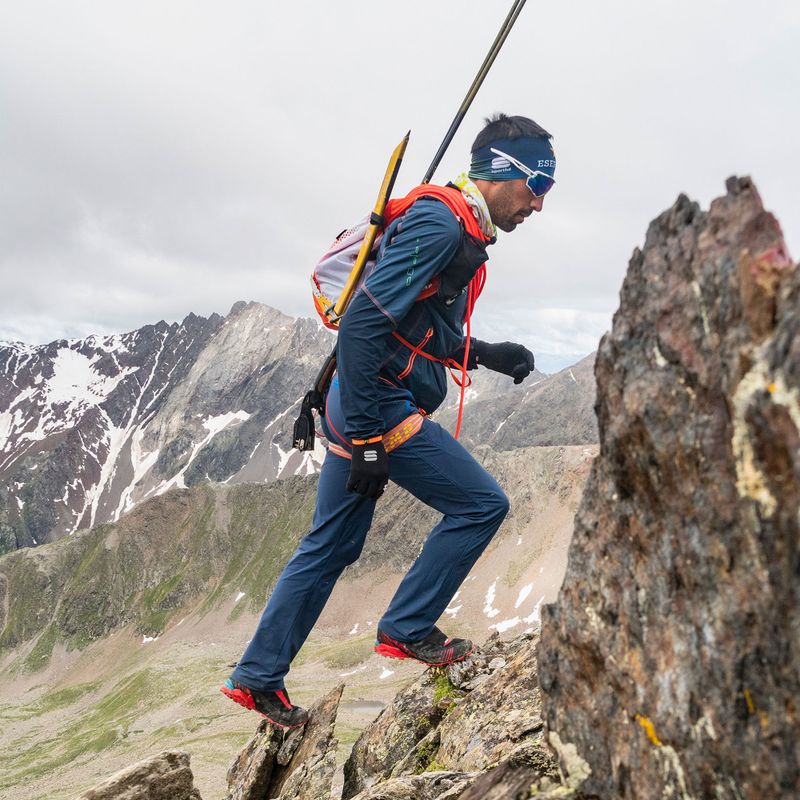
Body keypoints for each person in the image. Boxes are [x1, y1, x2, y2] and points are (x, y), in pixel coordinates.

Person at [222, 113, 556, 728]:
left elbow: (412, 327)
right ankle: (407, 626)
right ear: (504, 172)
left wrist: (485, 354)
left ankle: (257, 677)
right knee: (483, 504)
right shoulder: (438, 223)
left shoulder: (457, 227)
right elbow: (364, 326)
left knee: (332, 544)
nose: (539, 203)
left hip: (356, 397)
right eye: (538, 184)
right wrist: (373, 440)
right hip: (377, 405)